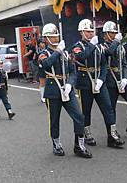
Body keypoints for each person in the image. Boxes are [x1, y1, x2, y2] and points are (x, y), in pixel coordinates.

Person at [38, 23, 92, 158]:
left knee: (79, 116)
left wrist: (69, 84)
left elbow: (73, 71)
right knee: (54, 119)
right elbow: (46, 65)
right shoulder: (43, 54)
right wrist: (57, 52)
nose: (56, 39)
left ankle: (79, 145)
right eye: (52, 36)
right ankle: (56, 143)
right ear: (46, 38)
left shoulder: (67, 53)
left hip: (66, 89)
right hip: (53, 90)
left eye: (56, 36)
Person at [72, 19, 125, 148]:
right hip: (85, 81)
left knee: (108, 108)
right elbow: (81, 57)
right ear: (81, 32)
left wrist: (101, 79)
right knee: (86, 110)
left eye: (91, 31)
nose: (90, 34)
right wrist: (91, 45)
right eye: (87, 31)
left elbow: (104, 63)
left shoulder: (99, 46)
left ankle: (112, 135)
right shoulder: (77, 46)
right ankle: (87, 133)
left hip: (99, 81)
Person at [101, 21, 127, 136]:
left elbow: (124, 64)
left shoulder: (120, 47)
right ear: (105, 34)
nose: (114, 35)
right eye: (111, 32)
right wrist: (116, 41)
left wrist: (125, 78)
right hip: (110, 80)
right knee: (111, 108)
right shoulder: (102, 46)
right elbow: (109, 52)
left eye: (115, 32)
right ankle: (112, 131)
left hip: (121, 79)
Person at [37, 38, 47, 103]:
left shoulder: (46, 50)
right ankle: (42, 96)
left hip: (47, 67)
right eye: (41, 43)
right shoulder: (38, 51)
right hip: (41, 68)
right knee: (42, 83)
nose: (43, 44)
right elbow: (36, 60)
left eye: (43, 43)